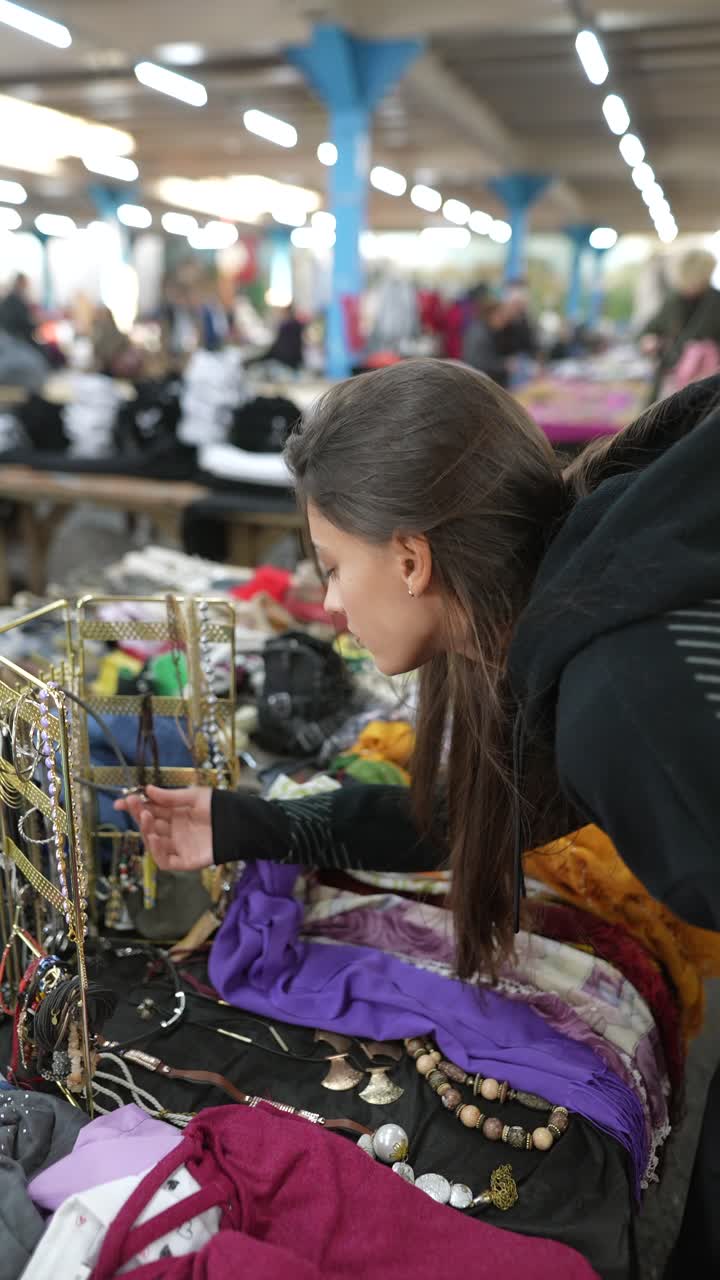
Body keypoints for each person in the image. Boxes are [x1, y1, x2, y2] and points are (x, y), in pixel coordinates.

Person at [118, 359, 720, 1270]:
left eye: (331, 567)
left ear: (410, 557)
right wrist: (245, 825)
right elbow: (465, 817)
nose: (326, 605)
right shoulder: (577, 600)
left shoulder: (614, 694)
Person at [641, 248, 720, 399]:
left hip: (708, 383)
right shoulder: (672, 301)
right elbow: (650, 329)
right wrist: (649, 339)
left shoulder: (716, 302)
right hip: (671, 377)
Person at [0, 273, 36, 344]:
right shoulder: (14, 300)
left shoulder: (13, 298)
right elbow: (23, 321)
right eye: (24, 283)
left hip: (13, 337)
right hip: (15, 339)